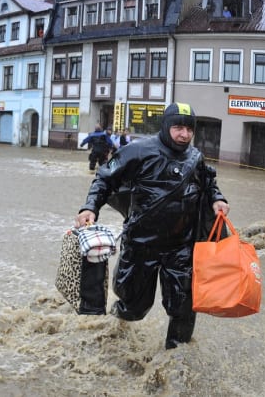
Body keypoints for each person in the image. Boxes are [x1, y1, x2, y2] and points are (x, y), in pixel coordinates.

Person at [74, 102, 230, 349]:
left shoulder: (196, 157)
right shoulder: (137, 151)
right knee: (134, 308)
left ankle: (175, 361)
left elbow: (209, 185)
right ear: (167, 126)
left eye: (189, 129)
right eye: (178, 127)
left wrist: (218, 199)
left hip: (181, 249)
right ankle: (113, 341)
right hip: (140, 245)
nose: (184, 134)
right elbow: (104, 178)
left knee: (184, 309)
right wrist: (90, 207)